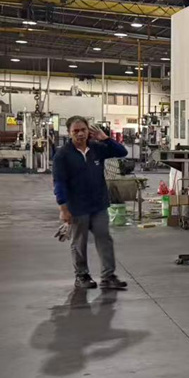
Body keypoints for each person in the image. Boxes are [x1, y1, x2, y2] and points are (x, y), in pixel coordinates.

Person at [53, 116, 129, 290]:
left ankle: (108, 277)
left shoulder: (97, 148)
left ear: (88, 131)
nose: (80, 134)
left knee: (104, 239)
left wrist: (106, 139)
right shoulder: (62, 155)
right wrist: (63, 208)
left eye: (83, 130)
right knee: (79, 243)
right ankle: (82, 276)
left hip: (98, 204)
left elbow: (122, 152)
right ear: (69, 133)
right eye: (76, 131)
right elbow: (59, 183)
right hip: (77, 207)